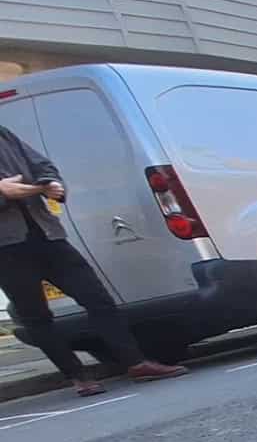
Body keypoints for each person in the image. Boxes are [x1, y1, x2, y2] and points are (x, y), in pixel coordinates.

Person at [0, 126, 188, 396]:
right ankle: (77, 376)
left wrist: (50, 182)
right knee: (36, 317)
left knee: (97, 298)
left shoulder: (4, 134)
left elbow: (41, 163)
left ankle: (136, 363)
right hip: (7, 249)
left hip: (48, 236)